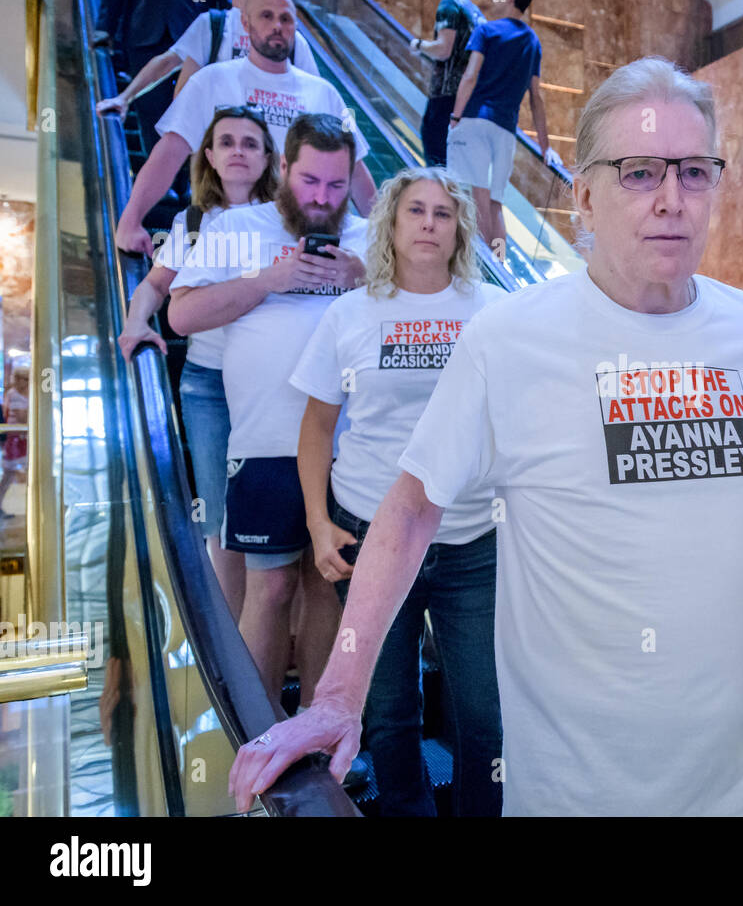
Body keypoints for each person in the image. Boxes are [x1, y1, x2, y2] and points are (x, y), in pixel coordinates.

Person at [229, 57, 743, 816]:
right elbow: (412, 509)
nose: (672, 201)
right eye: (639, 173)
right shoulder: (508, 339)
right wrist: (338, 697)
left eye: (694, 172)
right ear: (584, 194)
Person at [291, 167, 505, 816]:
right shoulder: (349, 314)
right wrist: (317, 525)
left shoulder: (494, 313)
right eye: (416, 211)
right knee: (388, 713)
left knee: (485, 714)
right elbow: (317, 427)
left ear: (459, 230)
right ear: (391, 222)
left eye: (444, 214)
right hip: (368, 534)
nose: (429, 224)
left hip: (472, 541)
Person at [169, 113, 369, 710]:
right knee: (272, 585)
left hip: (350, 450)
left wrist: (363, 279)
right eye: (309, 180)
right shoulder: (237, 225)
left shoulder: (368, 235)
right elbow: (181, 316)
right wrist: (268, 278)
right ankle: (256, 736)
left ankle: (314, 724)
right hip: (263, 444)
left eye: (336, 185)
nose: (321, 198)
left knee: (327, 590)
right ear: (283, 168)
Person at [117, 105, 279, 617]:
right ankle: (230, 635)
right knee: (218, 516)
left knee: (282, 512)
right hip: (209, 386)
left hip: (276, 383)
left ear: (268, 157)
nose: (237, 151)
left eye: (250, 143)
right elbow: (155, 286)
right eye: (226, 141)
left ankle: (280, 631)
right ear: (208, 155)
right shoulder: (190, 222)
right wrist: (135, 322)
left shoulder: (287, 220)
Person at [114, 0, 377, 256]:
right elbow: (168, 155)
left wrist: (384, 235)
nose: (277, 25)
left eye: (285, 18)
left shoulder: (324, 92)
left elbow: (354, 170)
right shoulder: (210, 80)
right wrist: (131, 220)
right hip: (222, 240)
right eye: (266, 16)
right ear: (245, 22)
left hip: (295, 244)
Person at [95, 0, 318, 120]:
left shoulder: (292, 40)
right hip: (223, 138)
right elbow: (166, 62)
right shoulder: (213, 25)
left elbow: (318, 95)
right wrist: (124, 98)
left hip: (273, 149)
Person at [446, 0, 560, 246]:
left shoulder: (486, 31)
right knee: (495, 205)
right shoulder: (533, 41)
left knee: (477, 201)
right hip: (506, 132)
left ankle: (486, 272)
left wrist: (455, 116)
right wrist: (545, 147)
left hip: (475, 122)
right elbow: (536, 98)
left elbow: (470, 76)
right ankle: (500, 268)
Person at [95, 0, 234, 154]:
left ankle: (183, 180)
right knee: (151, 120)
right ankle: (164, 180)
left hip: (197, 42)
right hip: (144, 36)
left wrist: (228, 38)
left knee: (191, 119)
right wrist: (104, 28)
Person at [408, 0, 483, 167]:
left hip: (445, 99)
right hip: (469, 103)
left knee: (437, 164)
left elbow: (443, 49)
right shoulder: (474, 12)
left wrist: (418, 45)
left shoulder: (449, 4)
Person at [0, 361, 29, 519]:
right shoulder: (13, 394)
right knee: (9, 474)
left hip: (24, 438)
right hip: (15, 438)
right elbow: (21, 416)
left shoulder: (28, 393)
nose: (22, 382)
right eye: (20, 378)